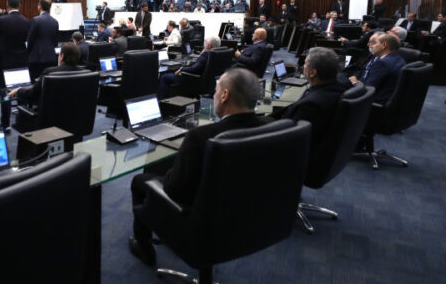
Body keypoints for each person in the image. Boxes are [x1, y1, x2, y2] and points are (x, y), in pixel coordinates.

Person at [129, 68, 270, 265]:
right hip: (247, 213)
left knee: (140, 180)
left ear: (225, 96)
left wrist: (172, 172)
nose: (213, 95)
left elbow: (175, 190)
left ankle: (144, 247)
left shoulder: (201, 137)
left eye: (215, 91)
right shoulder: (270, 126)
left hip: (202, 219)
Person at [273, 48, 347, 157]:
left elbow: (288, 137)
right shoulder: (337, 89)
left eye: (305, 64)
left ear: (312, 73)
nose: (303, 66)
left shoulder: (312, 105)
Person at [0, 0, 31, 130]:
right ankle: (23, 120)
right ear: (20, 5)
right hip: (21, 60)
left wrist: (3, 42)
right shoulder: (27, 21)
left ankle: (5, 123)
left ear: (7, 5)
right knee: (21, 89)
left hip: (4, 61)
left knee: (4, 92)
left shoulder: (1, 20)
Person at [8, 42, 84, 104]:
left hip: (51, 118)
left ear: (62, 56)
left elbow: (33, 93)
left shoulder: (50, 72)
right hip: (78, 118)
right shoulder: (86, 73)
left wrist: (18, 90)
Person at [350, 33, 406, 105]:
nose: (371, 46)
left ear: (384, 45)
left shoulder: (381, 63)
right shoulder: (400, 59)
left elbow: (366, 90)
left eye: (374, 43)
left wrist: (353, 80)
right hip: (388, 99)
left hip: (373, 103)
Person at [27, 0, 60, 79]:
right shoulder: (55, 22)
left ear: (39, 6)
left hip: (36, 58)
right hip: (51, 57)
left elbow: (30, 40)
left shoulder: (35, 20)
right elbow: (55, 41)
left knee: (35, 83)